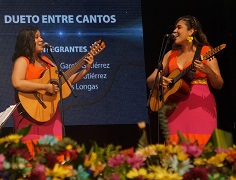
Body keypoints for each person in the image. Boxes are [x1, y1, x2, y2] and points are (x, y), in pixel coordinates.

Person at [11, 26, 95, 156]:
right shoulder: (22, 61)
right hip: (29, 112)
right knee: (31, 154)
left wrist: (86, 69)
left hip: (50, 112)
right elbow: (17, 83)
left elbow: (65, 81)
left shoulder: (47, 61)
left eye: (40, 36)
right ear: (27, 40)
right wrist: (45, 87)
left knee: (55, 153)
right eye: (36, 37)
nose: (41, 39)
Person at [146, 15, 224, 146]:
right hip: (174, 107)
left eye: (179, 27)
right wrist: (159, 80)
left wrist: (208, 71)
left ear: (191, 31)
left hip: (200, 106)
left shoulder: (205, 51)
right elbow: (150, 81)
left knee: (202, 152)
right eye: (174, 27)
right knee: (175, 152)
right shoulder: (170, 54)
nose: (174, 31)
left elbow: (219, 84)